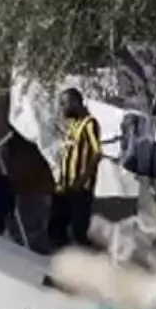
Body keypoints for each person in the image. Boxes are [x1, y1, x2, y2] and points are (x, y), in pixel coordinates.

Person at [49, 88, 102, 250]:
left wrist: (83, 179)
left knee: (79, 231)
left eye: (64, 103)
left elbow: (97, 153)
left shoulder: (89, 124)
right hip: (65, 185)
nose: (62, 108)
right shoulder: (73, 125)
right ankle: (66, 259)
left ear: (75, 102)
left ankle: (89, 263)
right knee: (56, 226)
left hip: (80, 187)